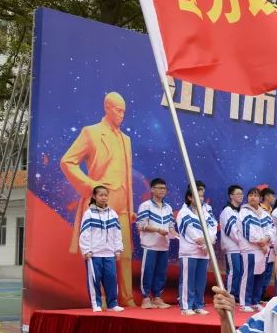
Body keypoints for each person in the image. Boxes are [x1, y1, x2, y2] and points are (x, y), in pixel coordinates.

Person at [61, 92, 136, 307]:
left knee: (125, 254)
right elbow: (67, 161)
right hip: (101, 200)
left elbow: (127, 175)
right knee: (100, 255)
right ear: (107, 108)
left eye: (124, 111)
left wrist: (130, 206)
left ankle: (127, 297)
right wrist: (91, 186)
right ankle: (101, 299)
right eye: (118, 110)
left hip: (121, 203)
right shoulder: (91, 133)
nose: (122, 115)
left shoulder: (125, 139)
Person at [80, 185, 124, 312]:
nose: (104, 198)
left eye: (105, 195)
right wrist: (86, 250)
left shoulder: (113, 214)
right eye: (101, 195)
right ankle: (96, 304)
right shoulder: (89, 214)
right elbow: (84, 233)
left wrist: (118, 249)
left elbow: (117, 233)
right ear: (94, 196)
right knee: (95, 279)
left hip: (109, 252)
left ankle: (112, 304)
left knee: (111, 278)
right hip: (94, 254)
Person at [175, 182, 216, 316]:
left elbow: (213, 227)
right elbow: (190, 232)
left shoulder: (205, 212)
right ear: (190, 198)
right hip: (190, 252)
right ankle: (186, 306)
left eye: (202, 196)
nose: (201, 199)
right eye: (198, 197)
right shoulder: (183, 212)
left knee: (200, 281)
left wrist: (208, 243)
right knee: (188, 280)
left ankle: (198, 304)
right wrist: (203, 243)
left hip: (204, 252)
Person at [136, 177, 176, 308]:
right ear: (152, 189)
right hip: (150, 245)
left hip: (164, 245)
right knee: (148, 271)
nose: (162, 190)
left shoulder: (168, 208)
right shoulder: (145, 205)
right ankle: (146, 298)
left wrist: (173, 232)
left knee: (161, 272)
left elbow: (170, 225)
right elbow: (141, 225)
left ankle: (157, 297)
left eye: (164, 188)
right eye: (159, 188)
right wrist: (158, 230)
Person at [238, 188, 272, 312]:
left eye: (255, 195)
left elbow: (271, 229)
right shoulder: (244, 212)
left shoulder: (265, 214)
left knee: (260, 276)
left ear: (260, 198)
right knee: (249, 276)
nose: (253, 197)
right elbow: (247, 230)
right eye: (250, 195)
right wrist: (261, 242)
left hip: (263, 249)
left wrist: (267, 238)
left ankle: (255, 301)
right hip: (250, 249)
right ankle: (244, 302)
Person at [219, 185, 245, 306]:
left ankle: (237, 294)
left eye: (241, 194)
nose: (241, 196)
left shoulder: (241, 211)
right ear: (231, 196)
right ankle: (230, 295)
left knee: (240, 272)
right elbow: (232, 231)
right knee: (234, 271)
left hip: (242, 247)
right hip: (232, 247)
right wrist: (244, 241)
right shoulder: (227, 211)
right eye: (238, 194)